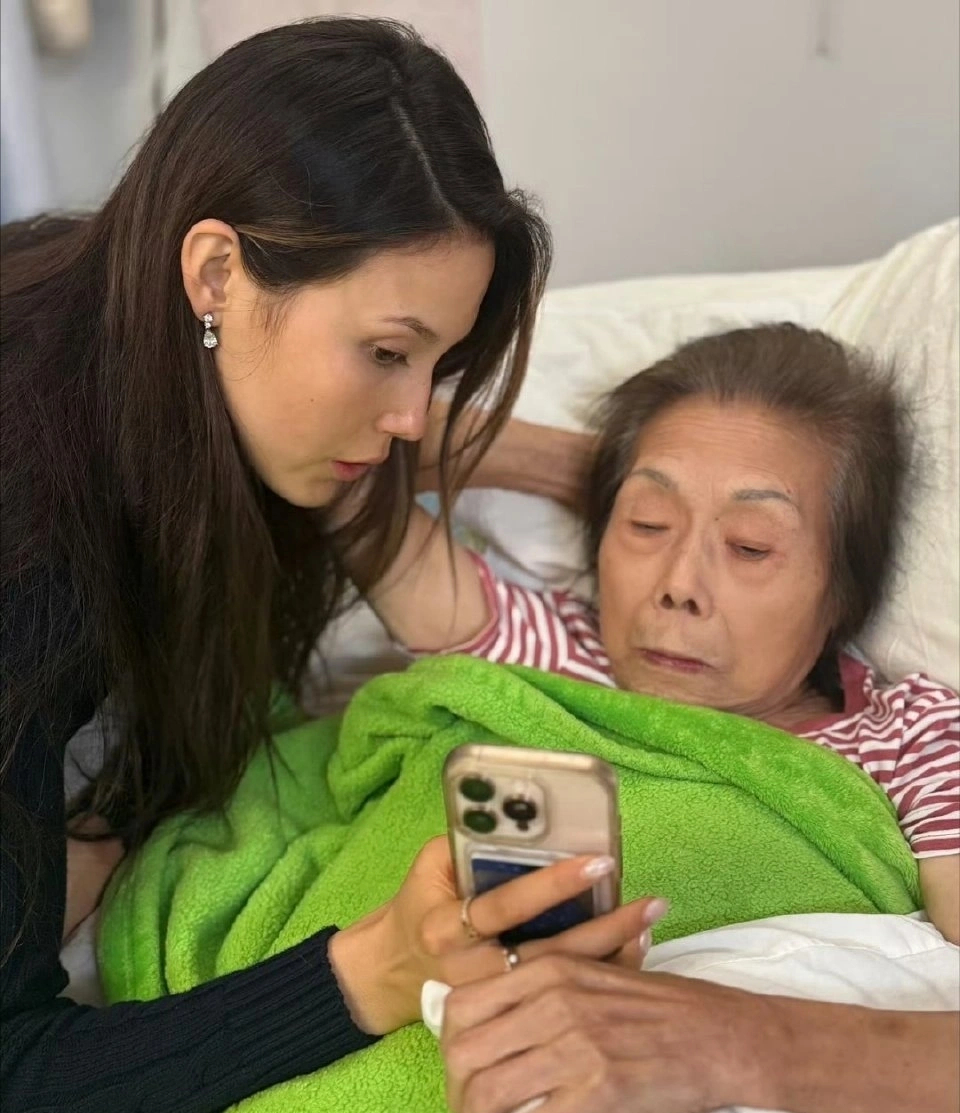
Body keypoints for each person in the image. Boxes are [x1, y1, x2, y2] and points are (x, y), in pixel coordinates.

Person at [0, 19, 661, 1113]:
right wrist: (375, 968)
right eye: (388, 353)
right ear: (216, 273)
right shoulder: (31, 555)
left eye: (436, 363)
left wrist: (595, 470)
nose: (409, 419)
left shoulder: (106, 306)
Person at [363, 323, 960, 1113]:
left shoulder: (912, 737)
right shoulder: (547, 654)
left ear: (844, 594)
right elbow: (348, 472)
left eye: (750, 546)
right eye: (646, 522)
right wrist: (576, 467)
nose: (680, 582)